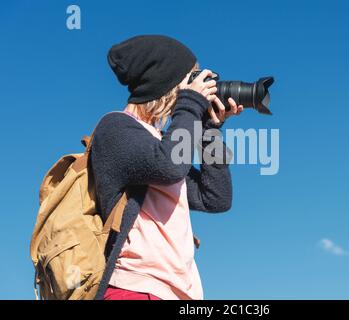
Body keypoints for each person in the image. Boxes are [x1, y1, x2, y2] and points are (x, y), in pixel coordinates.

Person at [89, 35, 243, 300]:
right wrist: (191, 104)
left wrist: (209, 131)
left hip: (178, 293)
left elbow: (216, 197)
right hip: (135, 287)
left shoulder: (162, 144)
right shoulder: (115, 127)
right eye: (190, 78)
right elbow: (170, 166)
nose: (199, 87)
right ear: (167, 82)